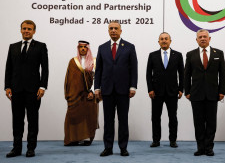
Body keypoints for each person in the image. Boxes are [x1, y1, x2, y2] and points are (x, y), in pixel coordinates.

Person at [4, 20, 49, 158]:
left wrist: (42, 86)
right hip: (16, 90)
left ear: (34, 31)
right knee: (17, 121)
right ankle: (16, 149)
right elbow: (8, 68)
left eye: (29, 29)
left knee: (32, 120)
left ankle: (31, 149)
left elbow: (45, 68)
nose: (26, 31)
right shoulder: (13, 47)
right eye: (24, 28)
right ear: (20, 30)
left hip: (33, 90)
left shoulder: (41, 46)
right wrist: (7, 86)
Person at [94, 21, 138, 157]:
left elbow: (134, 68)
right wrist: (96, 88)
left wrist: (133, 86)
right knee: (108, 121)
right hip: (106, 90)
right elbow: (99, 70)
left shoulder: (130, 47)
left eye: (116, 28)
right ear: (108, 31)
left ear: (121, 31)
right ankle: (108, 147)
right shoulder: (102, 48)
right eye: (111, 28)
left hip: (124, 90)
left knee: (123, 120)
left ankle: (123, 148)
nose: (113, 30)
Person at [184, 29, 225, 156]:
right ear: (196, 40)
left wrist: (221, 91)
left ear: (209, 39)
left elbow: (222, 74)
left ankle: (209, 148)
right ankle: (200, 147)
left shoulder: (218, 53)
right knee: (198, 122)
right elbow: (187, 74)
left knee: (211, 122)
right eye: (200, 37)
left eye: (205, 37)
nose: (202, 39)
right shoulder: (190, 54)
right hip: (196, 94)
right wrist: (187, 91)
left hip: (213, 93)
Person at [146, 32, 184, 148]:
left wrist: (181, 89)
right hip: (156, 92)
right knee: (155, 117)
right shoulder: (153, 55)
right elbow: (148, 74)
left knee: (173, 117)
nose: (164, 41)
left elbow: (182, 73)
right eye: (161, 39)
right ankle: (156, 140)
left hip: (172, 92)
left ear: (170, 41)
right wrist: (150, 89)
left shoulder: (178, 55)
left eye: (166, 39)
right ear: (158, 41)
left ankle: (173, 140)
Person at [64, 40, 99, 146]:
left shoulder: (94, 61)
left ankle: (87, 138)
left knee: (89, 115)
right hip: (75, 94)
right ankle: (73, 139)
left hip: (90, 95)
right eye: (81, 47)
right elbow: (69, 79)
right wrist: (71, 93)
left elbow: (97, 78)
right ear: (78, 48)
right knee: (74, 115)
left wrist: (92, 91)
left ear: (88, 49)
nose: (83, 49)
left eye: (85, 47)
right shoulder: (73, 61)